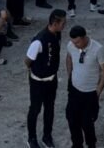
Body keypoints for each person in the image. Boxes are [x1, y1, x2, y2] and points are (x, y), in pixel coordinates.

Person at [26, 9, 67, 148]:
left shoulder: (57, 34)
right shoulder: (39, 40)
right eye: (63, 23)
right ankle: (32, 138)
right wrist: (36, 70)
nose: (64, 26)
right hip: (38, 82)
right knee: (35, 109)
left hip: (51, 80)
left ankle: (47, 136)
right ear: (55, 23)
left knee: (49, 108)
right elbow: (28, 60)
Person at [64, 26, 104, 148]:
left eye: (78, 42)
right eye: (73, 42)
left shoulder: (98, 49)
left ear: (84, 38)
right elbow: (68, 57)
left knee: (87, 122)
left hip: (90, 92)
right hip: (74, 89)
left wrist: (98, 90)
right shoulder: (71, 45)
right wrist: (70, 75)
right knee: (71, 118)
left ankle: (91, 144)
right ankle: (77, 144)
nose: (75, 45)